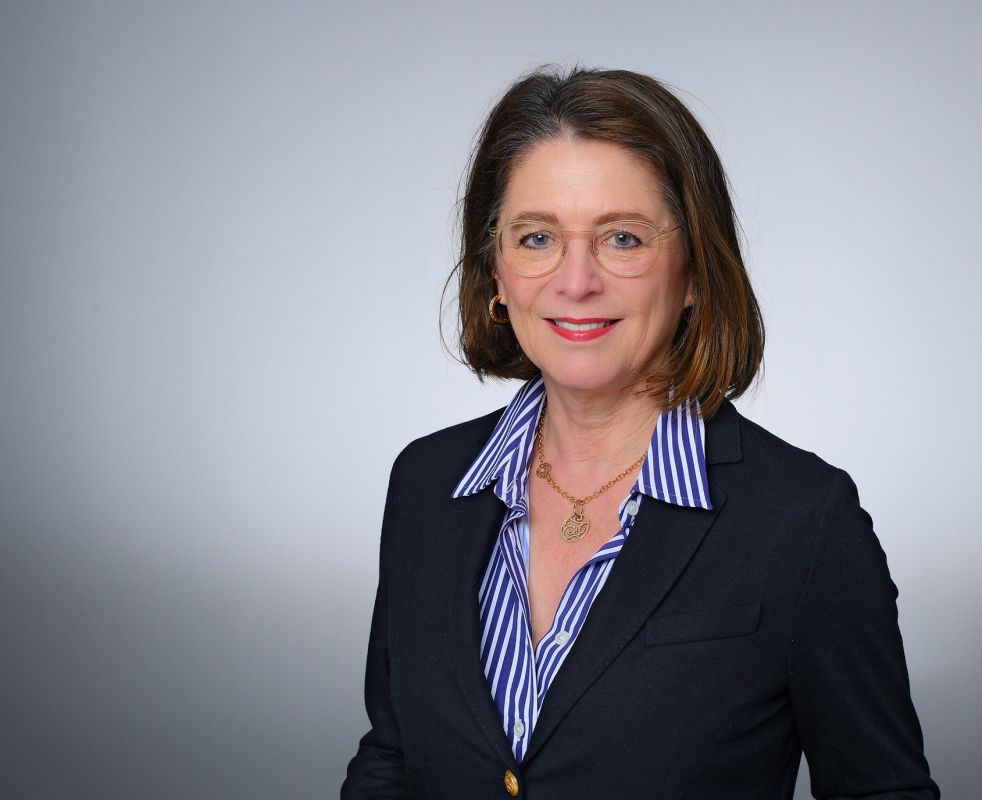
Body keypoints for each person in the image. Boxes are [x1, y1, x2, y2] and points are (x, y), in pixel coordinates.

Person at [341, 66, 939, 800]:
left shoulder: (805, 521)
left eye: (622, 238)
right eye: (536, 237)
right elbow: (393, 757)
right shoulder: (427, 484)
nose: (576, 282)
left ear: (694, 274)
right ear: (495, 270)